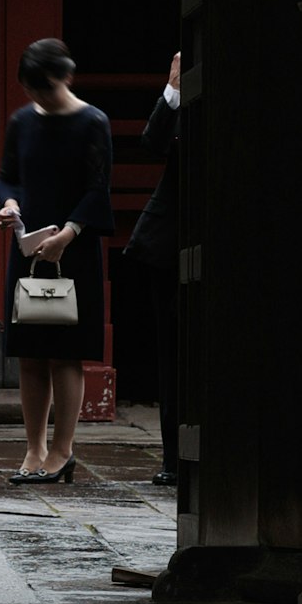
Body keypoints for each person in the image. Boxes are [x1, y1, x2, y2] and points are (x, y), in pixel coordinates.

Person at [0, 36, 115, 485]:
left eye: (43, 88)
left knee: (66, 355)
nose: (36, 98)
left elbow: (97, 187)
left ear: (64, 77)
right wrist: (9, 205)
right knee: (29, 353)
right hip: (29, 246)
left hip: (74, 249)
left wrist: (68, 233)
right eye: (30, 90)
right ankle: (34, 448)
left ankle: (63, 450)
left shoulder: (92, 122)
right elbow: (9, 177)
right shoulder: (21, 121)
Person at [121, 52, 188, 491]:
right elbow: (153, 142)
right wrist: (175, 88)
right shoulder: (181, 94)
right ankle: (173, 458)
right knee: (173, 353)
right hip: (170, 241)